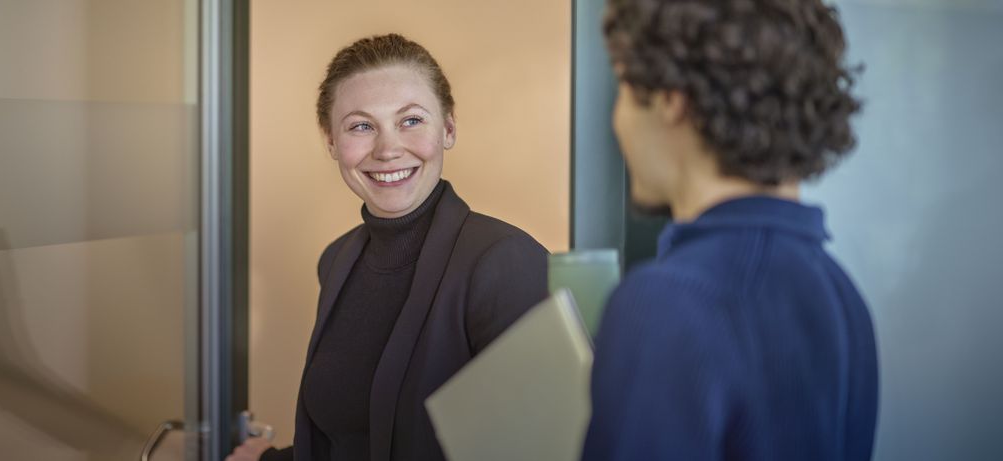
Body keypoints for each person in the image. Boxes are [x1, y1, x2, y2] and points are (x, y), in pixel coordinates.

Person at [227, 33, 549, 461]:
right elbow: (351, 440)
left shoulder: (506, 263)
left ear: (448, 128)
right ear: (331, 142)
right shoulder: (338, 260)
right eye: (361, 126)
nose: (388, 149)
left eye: (411, 120)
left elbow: (544, 447)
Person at [581, 0, 878, 460]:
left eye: (622, 83)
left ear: (670, 99)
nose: (616, 119)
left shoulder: (666, 303)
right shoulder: (843, 295)